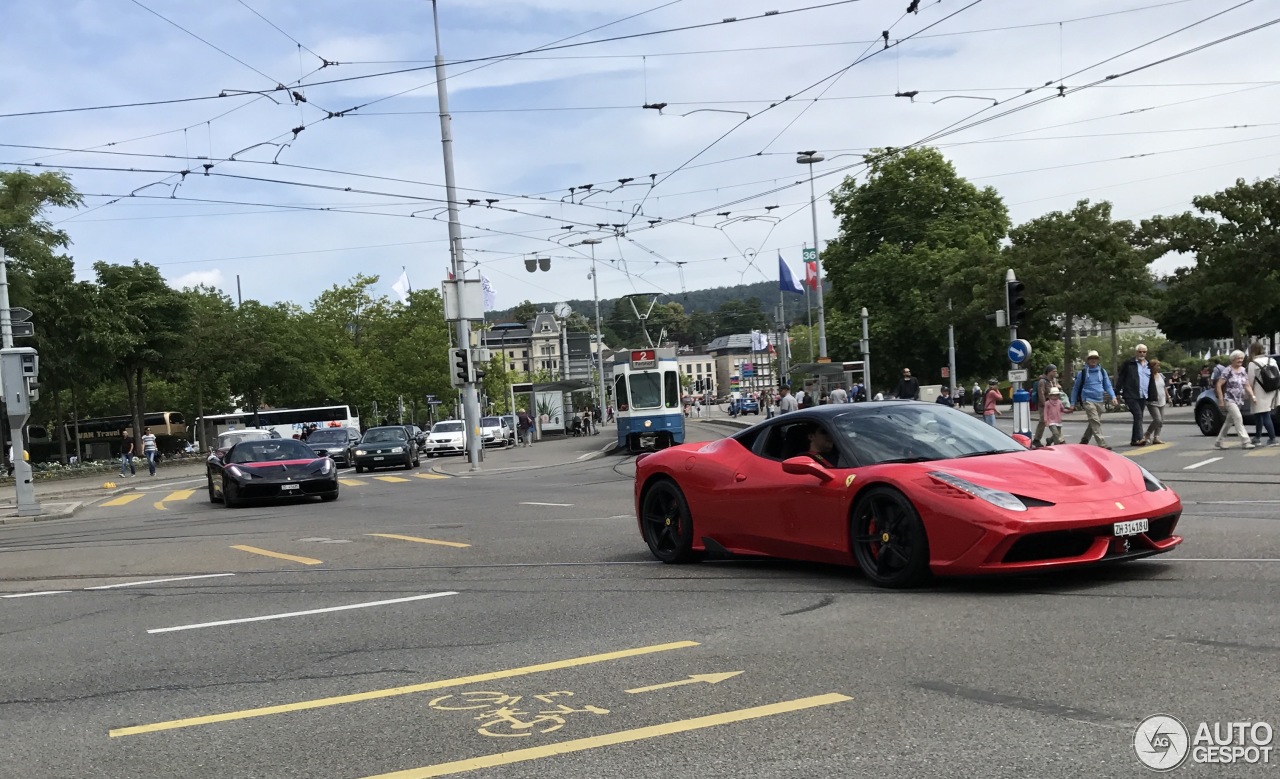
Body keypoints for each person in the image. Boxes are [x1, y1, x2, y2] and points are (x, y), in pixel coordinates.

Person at [1069, 350, 1116, 449]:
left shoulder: (1102, 371)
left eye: (1095, 358)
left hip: (1099, 399)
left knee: (1094, 421)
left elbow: (1107, 385)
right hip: (1088, 399)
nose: (1093, 360)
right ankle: (1102, 443)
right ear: (1088, 360)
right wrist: (1072, 403)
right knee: (1095, 420)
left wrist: (1113, 397)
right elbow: (1076, 388)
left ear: (1098, 360)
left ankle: (1085, 439)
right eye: (1091, 358)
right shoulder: (1083, 373)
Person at [1215, 350, 1256, 449]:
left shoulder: (1242, 370)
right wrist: (1221, 400)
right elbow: (1219, 385)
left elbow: (1246, 385)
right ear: (1233, 360)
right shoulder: (1227, 370)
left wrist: (1253, 396)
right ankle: (1245, 441)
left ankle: (1219, 441)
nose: (1240, 360)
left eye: (1242, 358)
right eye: (1238, 358)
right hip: (1230, 399)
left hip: (1239, 400)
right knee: (1238, 418)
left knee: (1229, 422)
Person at [1116, 344, 1152, 446]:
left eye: (1144, 352)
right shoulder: (1129, 364)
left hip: (1143, 395)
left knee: (1138, 417)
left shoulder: (1149, 365)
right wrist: (1117, 392)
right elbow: (1121, 378)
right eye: (1140, 352)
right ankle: (1140, 438)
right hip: (1130, 394)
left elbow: (1151, 381)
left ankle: (1134, 440)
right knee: (1138, 415)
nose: (1142, 354)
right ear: (1136, 353)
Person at [1246, 341, 1278, 446]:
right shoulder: (1271, 360)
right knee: (1259, 414)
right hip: (1271, 390)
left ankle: (1272, 438)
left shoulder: (1252, 364)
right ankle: (1257, 437)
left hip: (1259, 391)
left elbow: (1250, 380)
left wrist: (1249, 394)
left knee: (1263, 414)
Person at [1032, 365, 1059, 447]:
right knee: (1043, 422)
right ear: (1049, 372)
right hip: (1044, 405)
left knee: (1057, 422)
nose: (1055, 373)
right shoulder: (1042, 381)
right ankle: (1036, 440)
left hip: (1054, 404)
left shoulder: (1054, 380)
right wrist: (1045, 405)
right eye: (1054, 371)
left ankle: (1052, 439)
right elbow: (1041, 394)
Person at [1145, 359, 1168, 445]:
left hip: (1162, 400)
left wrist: (1168, 397)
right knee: (1157, 419)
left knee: (1161, 420)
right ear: (1152, 367)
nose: (1158, 367)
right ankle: (1148, 433)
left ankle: (1156, 437)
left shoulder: (1161, 375)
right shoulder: (1148, 376)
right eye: (1157, 366)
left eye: (1159, 366)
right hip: (1152, 401)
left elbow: (1164, 387)